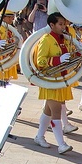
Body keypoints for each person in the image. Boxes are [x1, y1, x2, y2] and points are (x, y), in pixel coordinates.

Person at [32, 12, 76, 154]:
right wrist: (57, 60)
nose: (64, 27)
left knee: (48, 111)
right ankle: (61, 144)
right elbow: (41, 62)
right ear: (52, 25)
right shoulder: (46, 39)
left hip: (61, 80)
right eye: (60, 24)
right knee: (56, 111)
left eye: (64, 24)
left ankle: (39, 136)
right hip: (51, 81)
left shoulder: (65, 39)